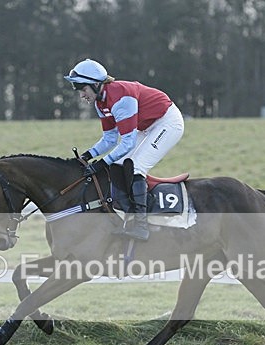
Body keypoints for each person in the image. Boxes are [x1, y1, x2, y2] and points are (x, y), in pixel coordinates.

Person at [64, 59, 184, 241]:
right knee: (118, 166)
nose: (81, 95)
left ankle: (142, 226)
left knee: (136, 167)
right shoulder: (101, 103)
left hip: (168, 123)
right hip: (146, 126)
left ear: (96, 84)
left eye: (83, 88)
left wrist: (100, 164)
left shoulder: (121, 97)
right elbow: (110, 139)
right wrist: (87, 156)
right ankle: (129, 218)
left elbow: (126, 143)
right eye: (78, 89)